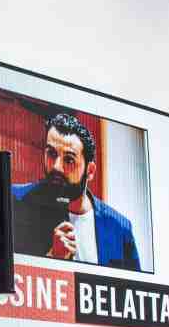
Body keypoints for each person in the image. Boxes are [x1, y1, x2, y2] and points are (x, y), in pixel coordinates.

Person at [13, 113, 140, 271]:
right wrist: (52, 258)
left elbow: (133, 291)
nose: (56, 167)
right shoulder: (15, 203)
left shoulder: (119, 228)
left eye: (69, 160)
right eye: (51, 154)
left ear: (90, 171)